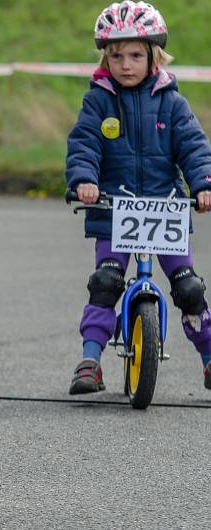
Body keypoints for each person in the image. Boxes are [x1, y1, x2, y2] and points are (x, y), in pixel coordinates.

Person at [66, 1, 211, 394]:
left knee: (189, 288)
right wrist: (84, 180)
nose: (125, 64)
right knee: (106, 282)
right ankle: (90, 360)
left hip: (165, 209)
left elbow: (194, 147)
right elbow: (84, 144)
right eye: (116, 56)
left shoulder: (172, 103)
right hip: (114, 209)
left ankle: (209, 358)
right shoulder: (98, 101)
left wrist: (203, 185)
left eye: (135, 55)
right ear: (105, 58)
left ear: (154, 56)